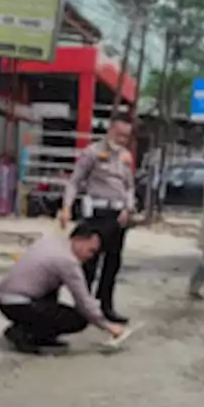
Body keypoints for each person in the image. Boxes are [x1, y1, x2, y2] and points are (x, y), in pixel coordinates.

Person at [0, 224, 125, 353]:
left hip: (4, 297)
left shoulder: (52, 242)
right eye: (91, 250)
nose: (91, 256)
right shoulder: (67, 261)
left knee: (53, 293)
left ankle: (38, 333)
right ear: (79, 239)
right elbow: (84, 302)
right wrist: (108, 326)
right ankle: (25, 334)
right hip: (18, 303)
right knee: (79, 319)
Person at [59, 116, 137, 323]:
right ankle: (83, 307)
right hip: (96, 213)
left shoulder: (126, 156)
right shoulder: (92, 152)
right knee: (89, 262)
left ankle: (106, 306)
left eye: (126, 137)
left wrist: (129, 208)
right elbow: (74, 181)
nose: (122, 140)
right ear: (110, 130)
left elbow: (129, 186)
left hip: (118, 216)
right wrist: (66, 207)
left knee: (113, 262)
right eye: (119, 134)